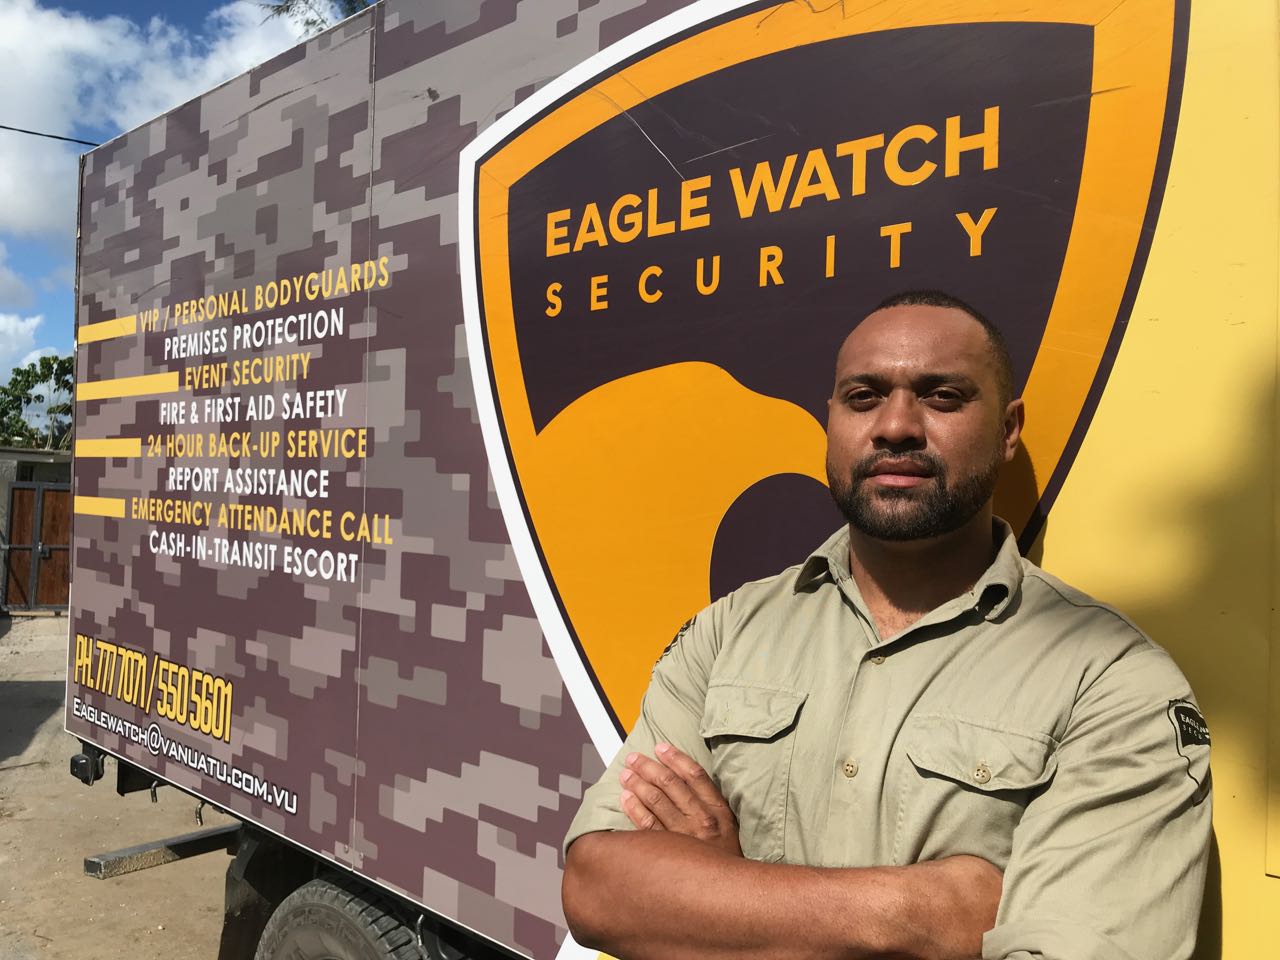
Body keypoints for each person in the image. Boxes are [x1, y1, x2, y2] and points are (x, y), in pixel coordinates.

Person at [560, 291, 1212, 960]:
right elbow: (598, 886)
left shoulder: (1110, 683)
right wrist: (915, 917)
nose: (896, 425)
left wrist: (726, 901)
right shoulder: (727, 632)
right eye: (864, 397)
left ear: (1009, 429)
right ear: (831, 421)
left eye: (943, 397)